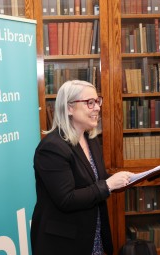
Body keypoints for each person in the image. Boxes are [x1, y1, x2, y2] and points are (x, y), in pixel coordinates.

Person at [30, 80, 134, 255]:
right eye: (89, 103)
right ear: (69, 108)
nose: (97, 108)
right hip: (64, 243)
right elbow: (67, 199)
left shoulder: (90, 140)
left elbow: (93, 179)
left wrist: (122, 179)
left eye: (97, 101)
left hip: (93, 236)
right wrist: (108, 185)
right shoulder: (52, 148)